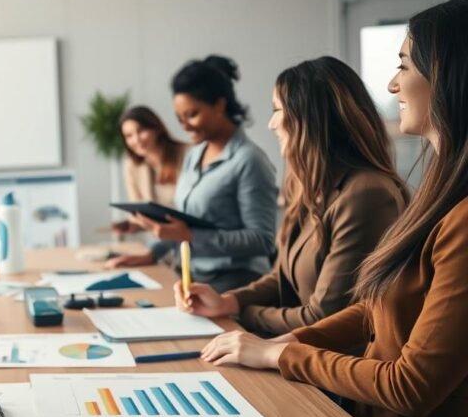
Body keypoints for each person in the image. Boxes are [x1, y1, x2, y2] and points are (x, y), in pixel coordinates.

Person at [199, 0, 468, 417]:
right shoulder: (439, 193)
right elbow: (373, 305)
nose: (391, 83)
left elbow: (410, 386)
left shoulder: (438, 211)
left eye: (404, 65)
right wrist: (280, 338)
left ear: (448, 75)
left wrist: (282, 352)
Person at [178, 57, 407, 335]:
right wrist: (228, 302)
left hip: (325, 362)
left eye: (277, 110)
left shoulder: (366, 195)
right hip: (291, 348)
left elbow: (323, 316)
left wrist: (240, 312)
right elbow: (280, 278)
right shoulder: (306, 185)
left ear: (309, 118)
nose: (271, 124)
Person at [107, 55, 277, 293]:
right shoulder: (194, 155)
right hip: (194, 275)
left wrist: (191, 235)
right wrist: (152, 254)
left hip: (237, 283)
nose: (184, 125)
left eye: (192, 114)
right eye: (180, 118)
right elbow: (184, 223)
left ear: (219, 105)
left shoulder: (249, 160)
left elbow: (262, 240)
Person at [113, 105, 188, 234]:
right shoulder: (132, 165)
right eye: (129, 136)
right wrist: (133, 225)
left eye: (141, 131)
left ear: (156, 128)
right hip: (161, 241)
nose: (136, 140)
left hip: (190, 236)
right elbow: (140, 212)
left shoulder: (187, 154)